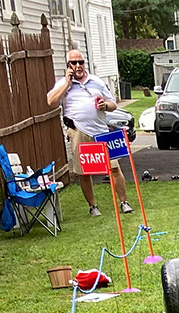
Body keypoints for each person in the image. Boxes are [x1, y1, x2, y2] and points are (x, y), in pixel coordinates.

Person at [46, 51, 133, 217]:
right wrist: (66, 83)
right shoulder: (63, 84)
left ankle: (124, 202)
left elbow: (113, 103)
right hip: (79, 131)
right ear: (68, 66)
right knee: (84, 171)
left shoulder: (96, 81)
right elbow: (51, 102)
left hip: (101, 132)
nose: (78, 66)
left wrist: (105, 106)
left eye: (80, 62)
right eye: (73, 63)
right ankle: (93, 206)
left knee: (114, 168)